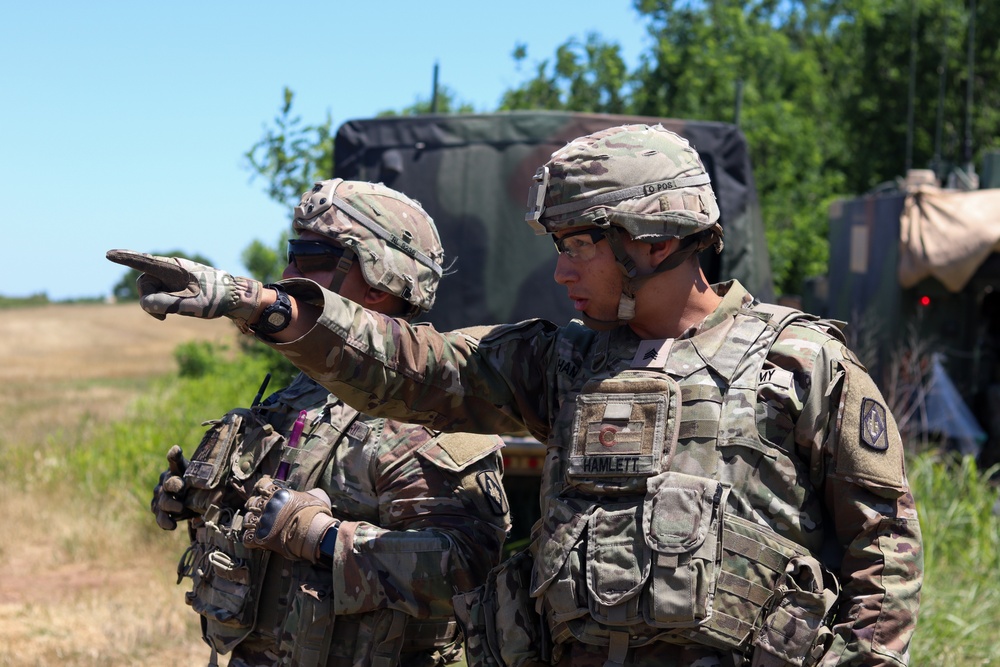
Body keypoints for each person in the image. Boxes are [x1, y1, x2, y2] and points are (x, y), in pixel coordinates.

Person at [119, 124, 923, 667]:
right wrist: (263, 304)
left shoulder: (801, 362)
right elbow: (418, 367)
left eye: (579, 246)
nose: (564, 270)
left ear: (655, 240)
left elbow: (884, 554)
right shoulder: (560, 362)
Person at [143, 180, 511, 667]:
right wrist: (201, 501)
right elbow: (262, 524)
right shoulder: (298, 395)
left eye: (310, 256)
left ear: (380, 283)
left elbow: (466, 572)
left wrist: (322, 538)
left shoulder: (428, 417)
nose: (287, 272)